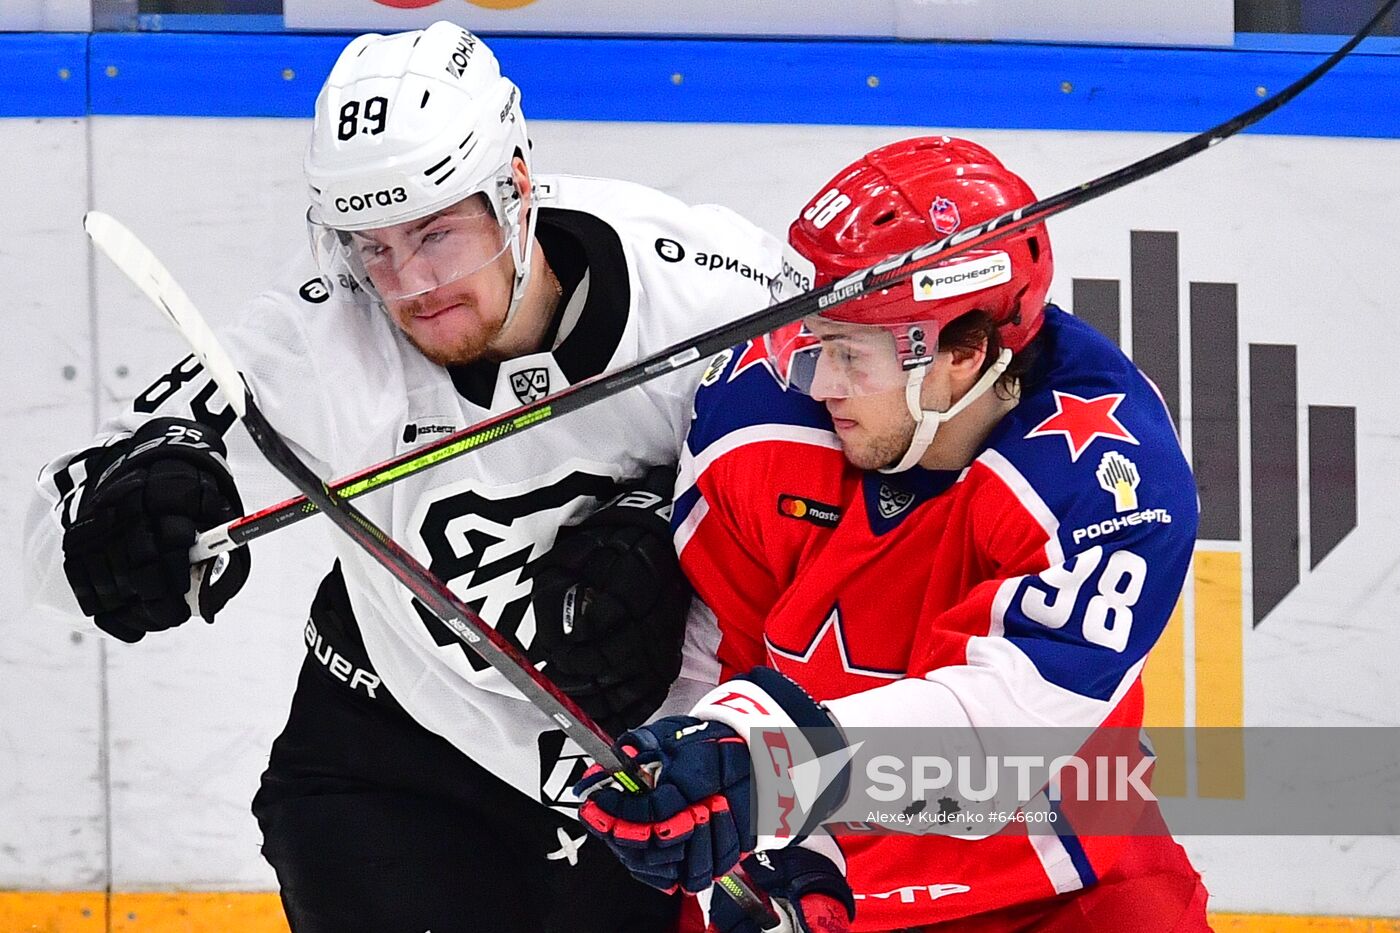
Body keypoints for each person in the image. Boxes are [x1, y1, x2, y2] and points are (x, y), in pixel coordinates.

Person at [24, 22, 803, 933]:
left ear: (514, 186)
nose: (410, 284)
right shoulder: (322, 338)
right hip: (393, 750)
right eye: (374, 244)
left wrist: (673, 561)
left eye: (437, 233)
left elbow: (848, 503)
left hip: (631, 772)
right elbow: (51, 535)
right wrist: (130, 513)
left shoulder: (718, 293)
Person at [576, 136, 1212, 932]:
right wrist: (729, 843)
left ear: (965, 351)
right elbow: (711, 663)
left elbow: (1003, 741)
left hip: (1059, 886)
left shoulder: (1109, 474)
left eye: (850, 354)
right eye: (817, 340)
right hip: (808, 878)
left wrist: (765, 773)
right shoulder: (755, 423)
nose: (821, 383)